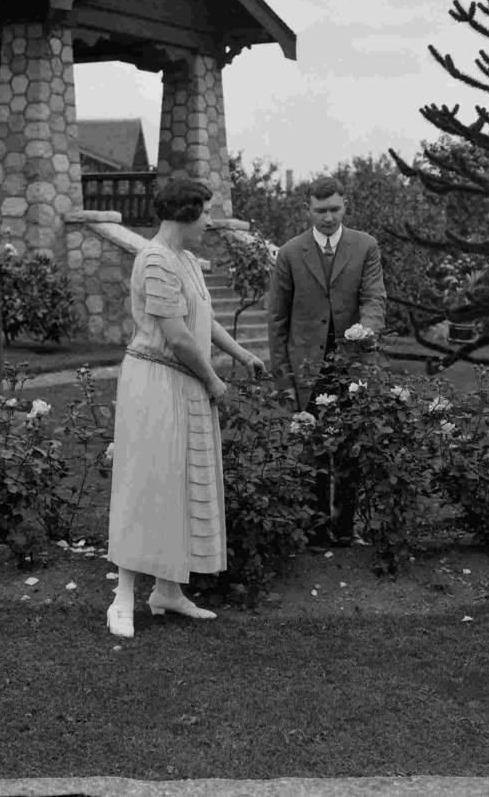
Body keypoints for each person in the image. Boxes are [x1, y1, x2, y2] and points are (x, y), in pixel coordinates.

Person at [105, 178, 266, 638]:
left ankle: (168, 592)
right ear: (186, 213)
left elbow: (202, 320)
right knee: (147, 483)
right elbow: (175, 336)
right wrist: (215, 382)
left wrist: (241, 355)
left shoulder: (187, 260)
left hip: (183, 383)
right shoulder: (154, 259)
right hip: (155, 382)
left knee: (176, 484)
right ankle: (123, 598)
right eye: (207, 213)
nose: (211, 221)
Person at [267, 175, 386, 546]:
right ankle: (316, 531)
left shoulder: (365, 246)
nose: (329, 218)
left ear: (345, 205)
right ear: (308, 210)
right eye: (321, 211)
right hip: (307, 366)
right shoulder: (290, 253)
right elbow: (277, 321)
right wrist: (283, 380)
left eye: (335, 209)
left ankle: (346, 529)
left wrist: (365, 332)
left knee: (351, 445)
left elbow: (373, 298)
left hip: (352, 363)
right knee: (312, 448)